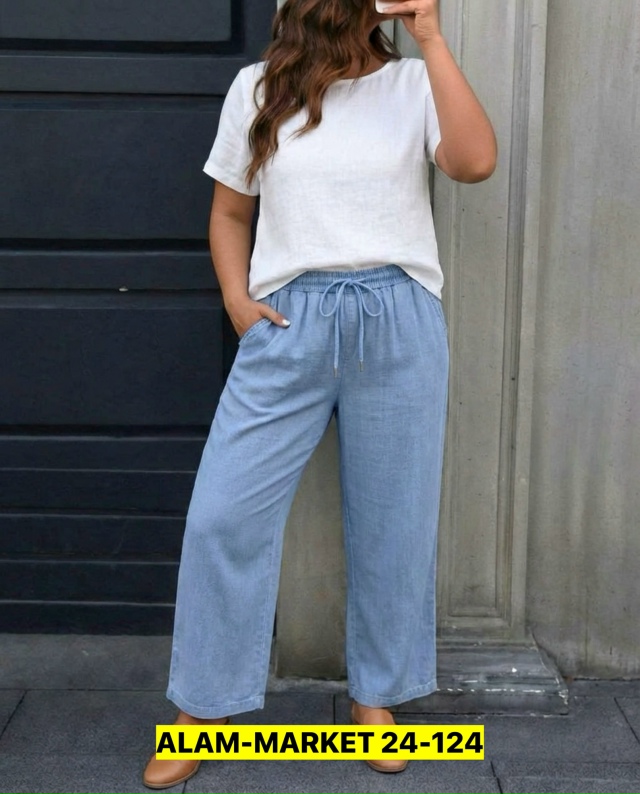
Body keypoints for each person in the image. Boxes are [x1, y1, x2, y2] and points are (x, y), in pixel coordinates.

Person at [142, 0, 496, 787]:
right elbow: (229, 211)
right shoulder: (258, 89)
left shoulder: (413, 84)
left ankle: (377, 700)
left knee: (394, 523)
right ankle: (202, 709)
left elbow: (474, 163)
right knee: (223, 517)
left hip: (396, 318)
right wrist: (238, 302)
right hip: (288, 320)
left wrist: (432, 38)